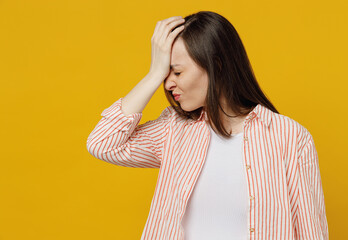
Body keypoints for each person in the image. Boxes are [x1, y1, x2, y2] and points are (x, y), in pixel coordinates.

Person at [86, 11, 329, 240]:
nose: (167, 83)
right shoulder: (173, 128)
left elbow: (310, 231)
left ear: (217, 66)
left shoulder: (289, 137)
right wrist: (153, 74)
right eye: (164, 74)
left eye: (176, 72)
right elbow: (102, 143)